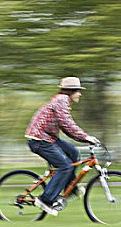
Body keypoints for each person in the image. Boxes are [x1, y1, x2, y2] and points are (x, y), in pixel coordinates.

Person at [25, 77, 100, 216]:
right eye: (78, 91)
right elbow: (67, 124)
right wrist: (85, 137)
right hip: (39, 140)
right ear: (71, 91)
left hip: (48, 137)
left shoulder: (62, 100)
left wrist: (83, 138)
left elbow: (66, 127)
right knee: (65, 166)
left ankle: (69, 188)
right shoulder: (62, 100)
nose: (80, 94)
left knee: (73, 153)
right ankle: (45, 200)